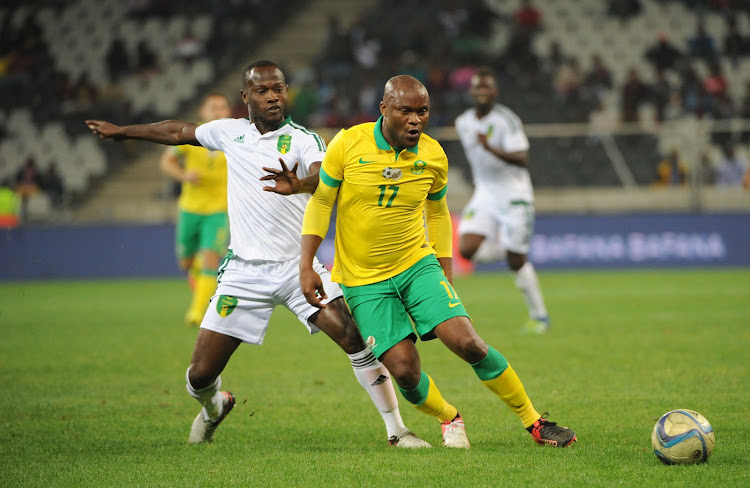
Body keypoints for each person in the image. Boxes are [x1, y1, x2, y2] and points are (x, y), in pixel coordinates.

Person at [85, 60, 428, 449]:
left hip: (297, 269)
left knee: (356, 340)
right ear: (245, 97)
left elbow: (324, 174)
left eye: (279, 88)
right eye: (263, 90)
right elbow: (178, 131)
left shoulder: (303, 139)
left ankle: (397, 431)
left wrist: (299, 183)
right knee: (199, 375)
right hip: (243, 273)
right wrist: (123, 132)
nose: (273, 96)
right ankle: (214, 407)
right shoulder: (229, 133)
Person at [298, 74, 577, 449]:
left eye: (423, 111)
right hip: (364, 281)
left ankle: (535, 422)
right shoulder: (348, 143)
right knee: (404, 371)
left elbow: (439, 213)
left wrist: (444, 266)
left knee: (469, 344)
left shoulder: (432, 154)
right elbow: (321, 202)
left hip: (417, 266)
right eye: (405, 111)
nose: (415, 120)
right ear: (384, 110)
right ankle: (449, 416)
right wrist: (306, 264)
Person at [454, 67, 551, 334]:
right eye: (478, 87)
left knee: (516, 261)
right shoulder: (463, 122)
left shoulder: (507, 120)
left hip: (514, 194)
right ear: (471, 91)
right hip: (485, 192)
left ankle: (540, 316)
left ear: (495, 92)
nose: (482, 92)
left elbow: (522, 157)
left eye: (487, 88)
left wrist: (489, 147)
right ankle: (509, 248)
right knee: (466, 249)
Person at [158, 93, 231, 327]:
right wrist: (184, 175)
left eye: (222, 108)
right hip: (190, 208)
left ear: (228, 113)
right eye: (213, 107)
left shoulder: (234, 139)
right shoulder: (191, 136)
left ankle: (198, 312)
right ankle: (198, 274)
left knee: (210, 257)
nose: (218, 112)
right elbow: (166, 161)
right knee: (186, 264)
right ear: (203, 111)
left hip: (218, 210)